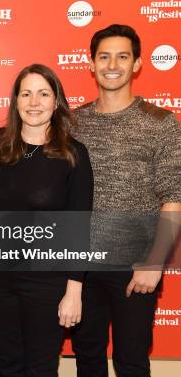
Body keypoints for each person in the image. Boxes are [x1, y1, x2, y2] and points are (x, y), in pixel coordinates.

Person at [71, 24, 181, 377]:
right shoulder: (72, 123)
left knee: (132, 362)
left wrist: (154, 263)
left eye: (122, 56)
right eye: (104, 56)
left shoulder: (162, 123)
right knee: (87, 358)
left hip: (136, 269)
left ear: (136, 64)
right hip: (82, 267)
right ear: (91, 64)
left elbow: (175, 199)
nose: (112, 64)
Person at [0, 64, 93, 376]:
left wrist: (74, 291)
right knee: (6, 364)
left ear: (56, 101)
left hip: (48, 280)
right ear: (15, 101)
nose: (34, 102)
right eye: (26, 94)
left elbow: (80, 228)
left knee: (41, 368)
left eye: (43, 94)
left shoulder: (73, 154)